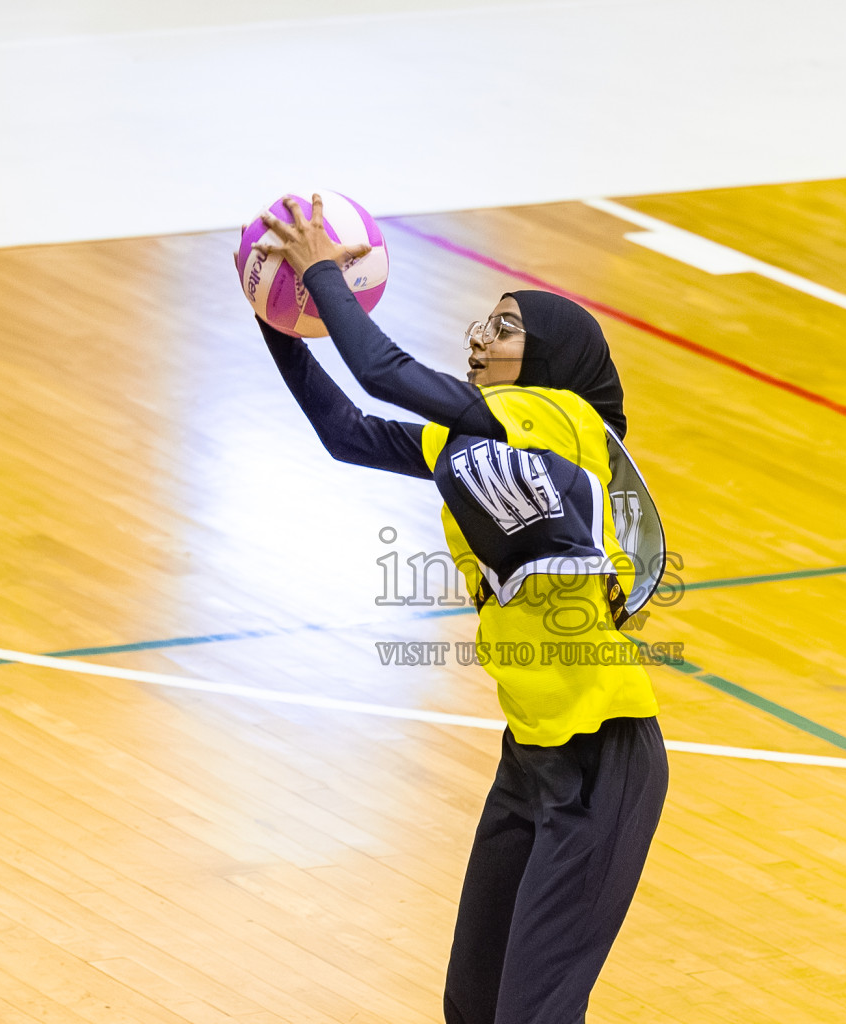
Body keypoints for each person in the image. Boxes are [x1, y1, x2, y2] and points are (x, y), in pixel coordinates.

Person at [243, 197, 668, 1024]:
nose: (479, 335)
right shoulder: (481, 435)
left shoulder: (559, 418)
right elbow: (350, 430)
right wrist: (277, 319)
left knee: (533, 1016)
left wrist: (320, 269)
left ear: (547, 356)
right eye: (481, 321)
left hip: (602, 765)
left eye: (504, 328)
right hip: (531, 763)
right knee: (473, 1005)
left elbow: (383, 373)